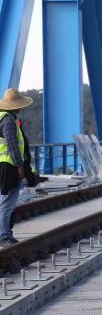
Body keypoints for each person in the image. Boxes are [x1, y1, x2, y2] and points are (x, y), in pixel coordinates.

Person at [0, 89, 33, 248]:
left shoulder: (4, 118)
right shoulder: (8, 121)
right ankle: (3, 236)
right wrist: (20, 166)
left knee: (6, 202)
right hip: (9, 167)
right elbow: (12, 145)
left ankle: (6, 233)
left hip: (4, 165)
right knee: (7, 203)